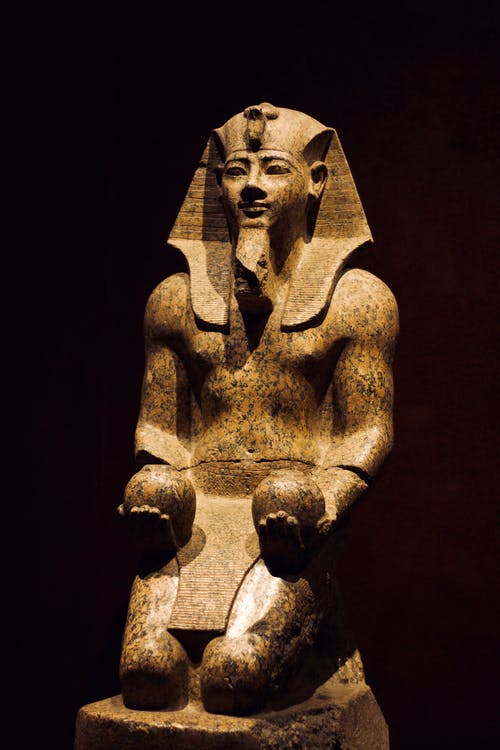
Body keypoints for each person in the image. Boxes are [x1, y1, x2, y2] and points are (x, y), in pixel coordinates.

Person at [118, 103, 398, 715]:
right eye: (236, 170)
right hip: (194, 519)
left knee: (233, 680)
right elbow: (160, 428)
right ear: (214, 181)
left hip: (289, 524)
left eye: (273, 169)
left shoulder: (357, 300)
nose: (250, 186)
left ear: (316, 181)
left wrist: (323, 503)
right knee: (147, 676)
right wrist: (154, 486)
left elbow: (367, 432)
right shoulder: (172, 300)